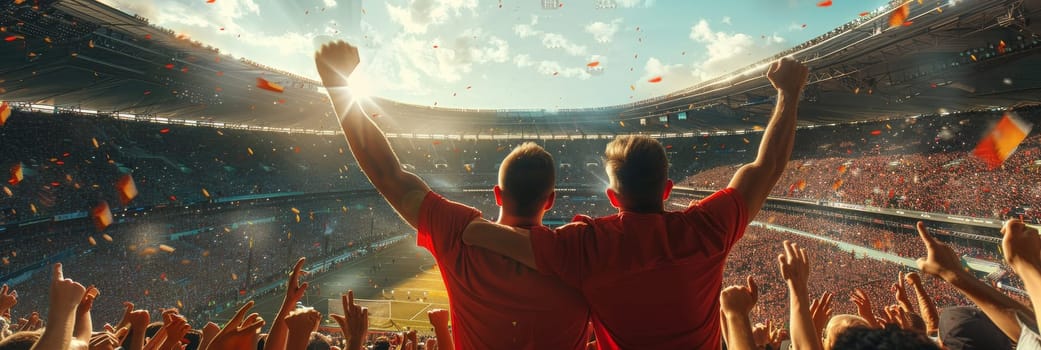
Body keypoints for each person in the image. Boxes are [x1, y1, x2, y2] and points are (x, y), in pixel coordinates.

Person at [460, 57, 809, 348]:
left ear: (613, 197)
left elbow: (492, 236)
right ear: (667, 189)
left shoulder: (588, 245)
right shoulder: (707, 228)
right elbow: (769, 165)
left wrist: (472, 230)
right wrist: (789, 93)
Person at [315, 40, 591, 349]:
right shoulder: (583, 252)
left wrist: (336, 86)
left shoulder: (458, 233)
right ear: (550, 201)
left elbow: (387, 173)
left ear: (497, 194)